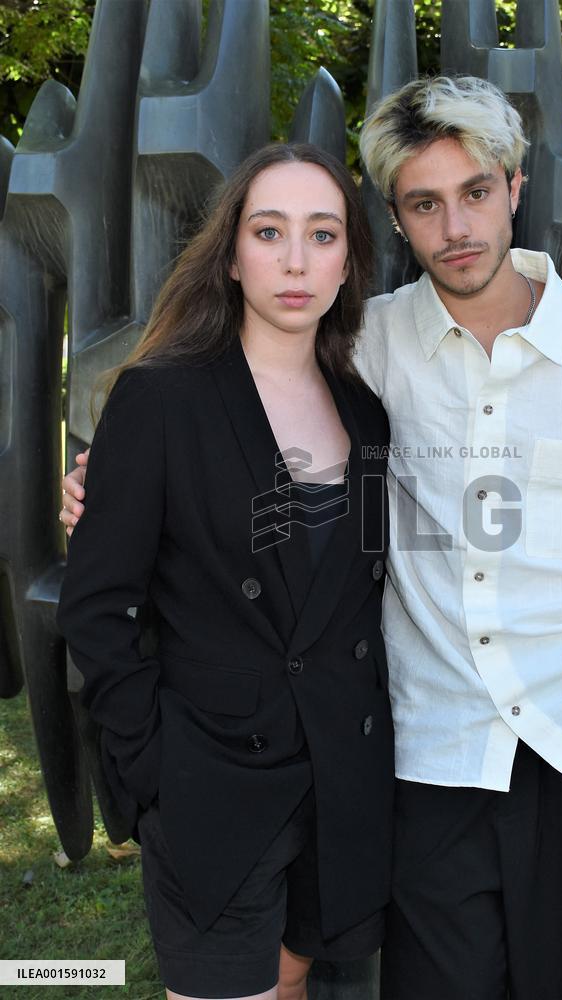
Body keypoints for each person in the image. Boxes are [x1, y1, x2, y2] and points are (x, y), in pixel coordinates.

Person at [62, 77, 562, 999]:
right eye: (424, 204)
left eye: (475, 192)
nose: (456, 226)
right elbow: (237, 420)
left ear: (514, 187)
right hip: (424, 750)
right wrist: (100, 489)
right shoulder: (368, 345)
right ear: (394, 219)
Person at [57, 143, 394, 1000]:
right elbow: (98, 608)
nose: (293, 260)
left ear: (347, 258)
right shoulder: (163, 398)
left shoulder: (365, 410)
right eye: (268, 231)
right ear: (232, 255)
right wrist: (152, 773)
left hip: (340, 785)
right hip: (209, 787)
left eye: (321, 235)